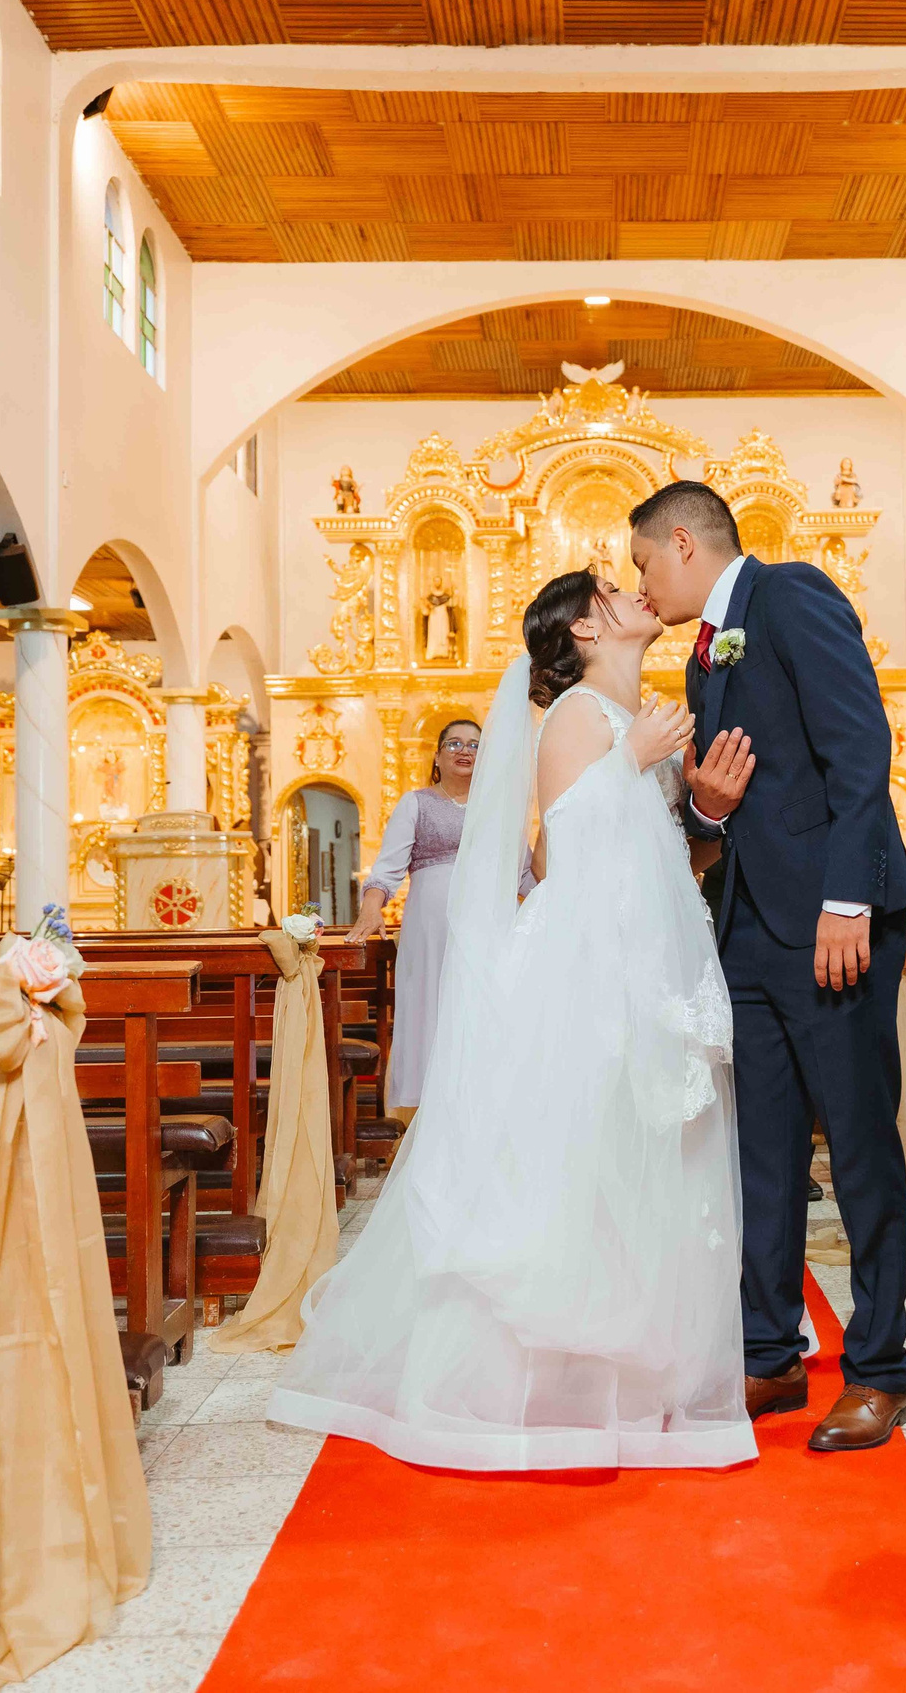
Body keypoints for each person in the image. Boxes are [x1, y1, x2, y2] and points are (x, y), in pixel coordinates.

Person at [267, 568, 756, 1472]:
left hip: (645, 951)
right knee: (579, 1165)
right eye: (615, 589)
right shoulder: (577, 718)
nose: (637, 592)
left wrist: (701, 807)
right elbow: (567, 848)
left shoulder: (631, 714)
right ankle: (552, 1384)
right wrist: (633, 760)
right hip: (590, 965)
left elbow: (655, 853)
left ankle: (635, 1378)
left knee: (636, 1162)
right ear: (580, 628)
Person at [631, 478, 906, 1454]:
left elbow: (858, 745)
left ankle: (880, 1369)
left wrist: (849, 899)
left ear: (681, 542)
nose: (640, 584)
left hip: (832, 923)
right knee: (758, 1152)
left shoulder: (791, 594)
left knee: (858, 1144)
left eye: (641, 563)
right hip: (748, 931)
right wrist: (704, 813)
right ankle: (770, 1352)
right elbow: (721, 805)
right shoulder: (703, 660)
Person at [346, 719, 486, 1120]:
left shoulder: (496, 807)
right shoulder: (417, 803)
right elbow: (387, 870)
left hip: (484, 928)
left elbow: (524, 873)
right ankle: (427, 1120)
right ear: (438, 756)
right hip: (430, 930)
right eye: (455, 743)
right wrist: (371, 907)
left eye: (475, 745)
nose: (464, 750)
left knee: (479, 1010)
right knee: (431, 1009)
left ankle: (476, 1112)